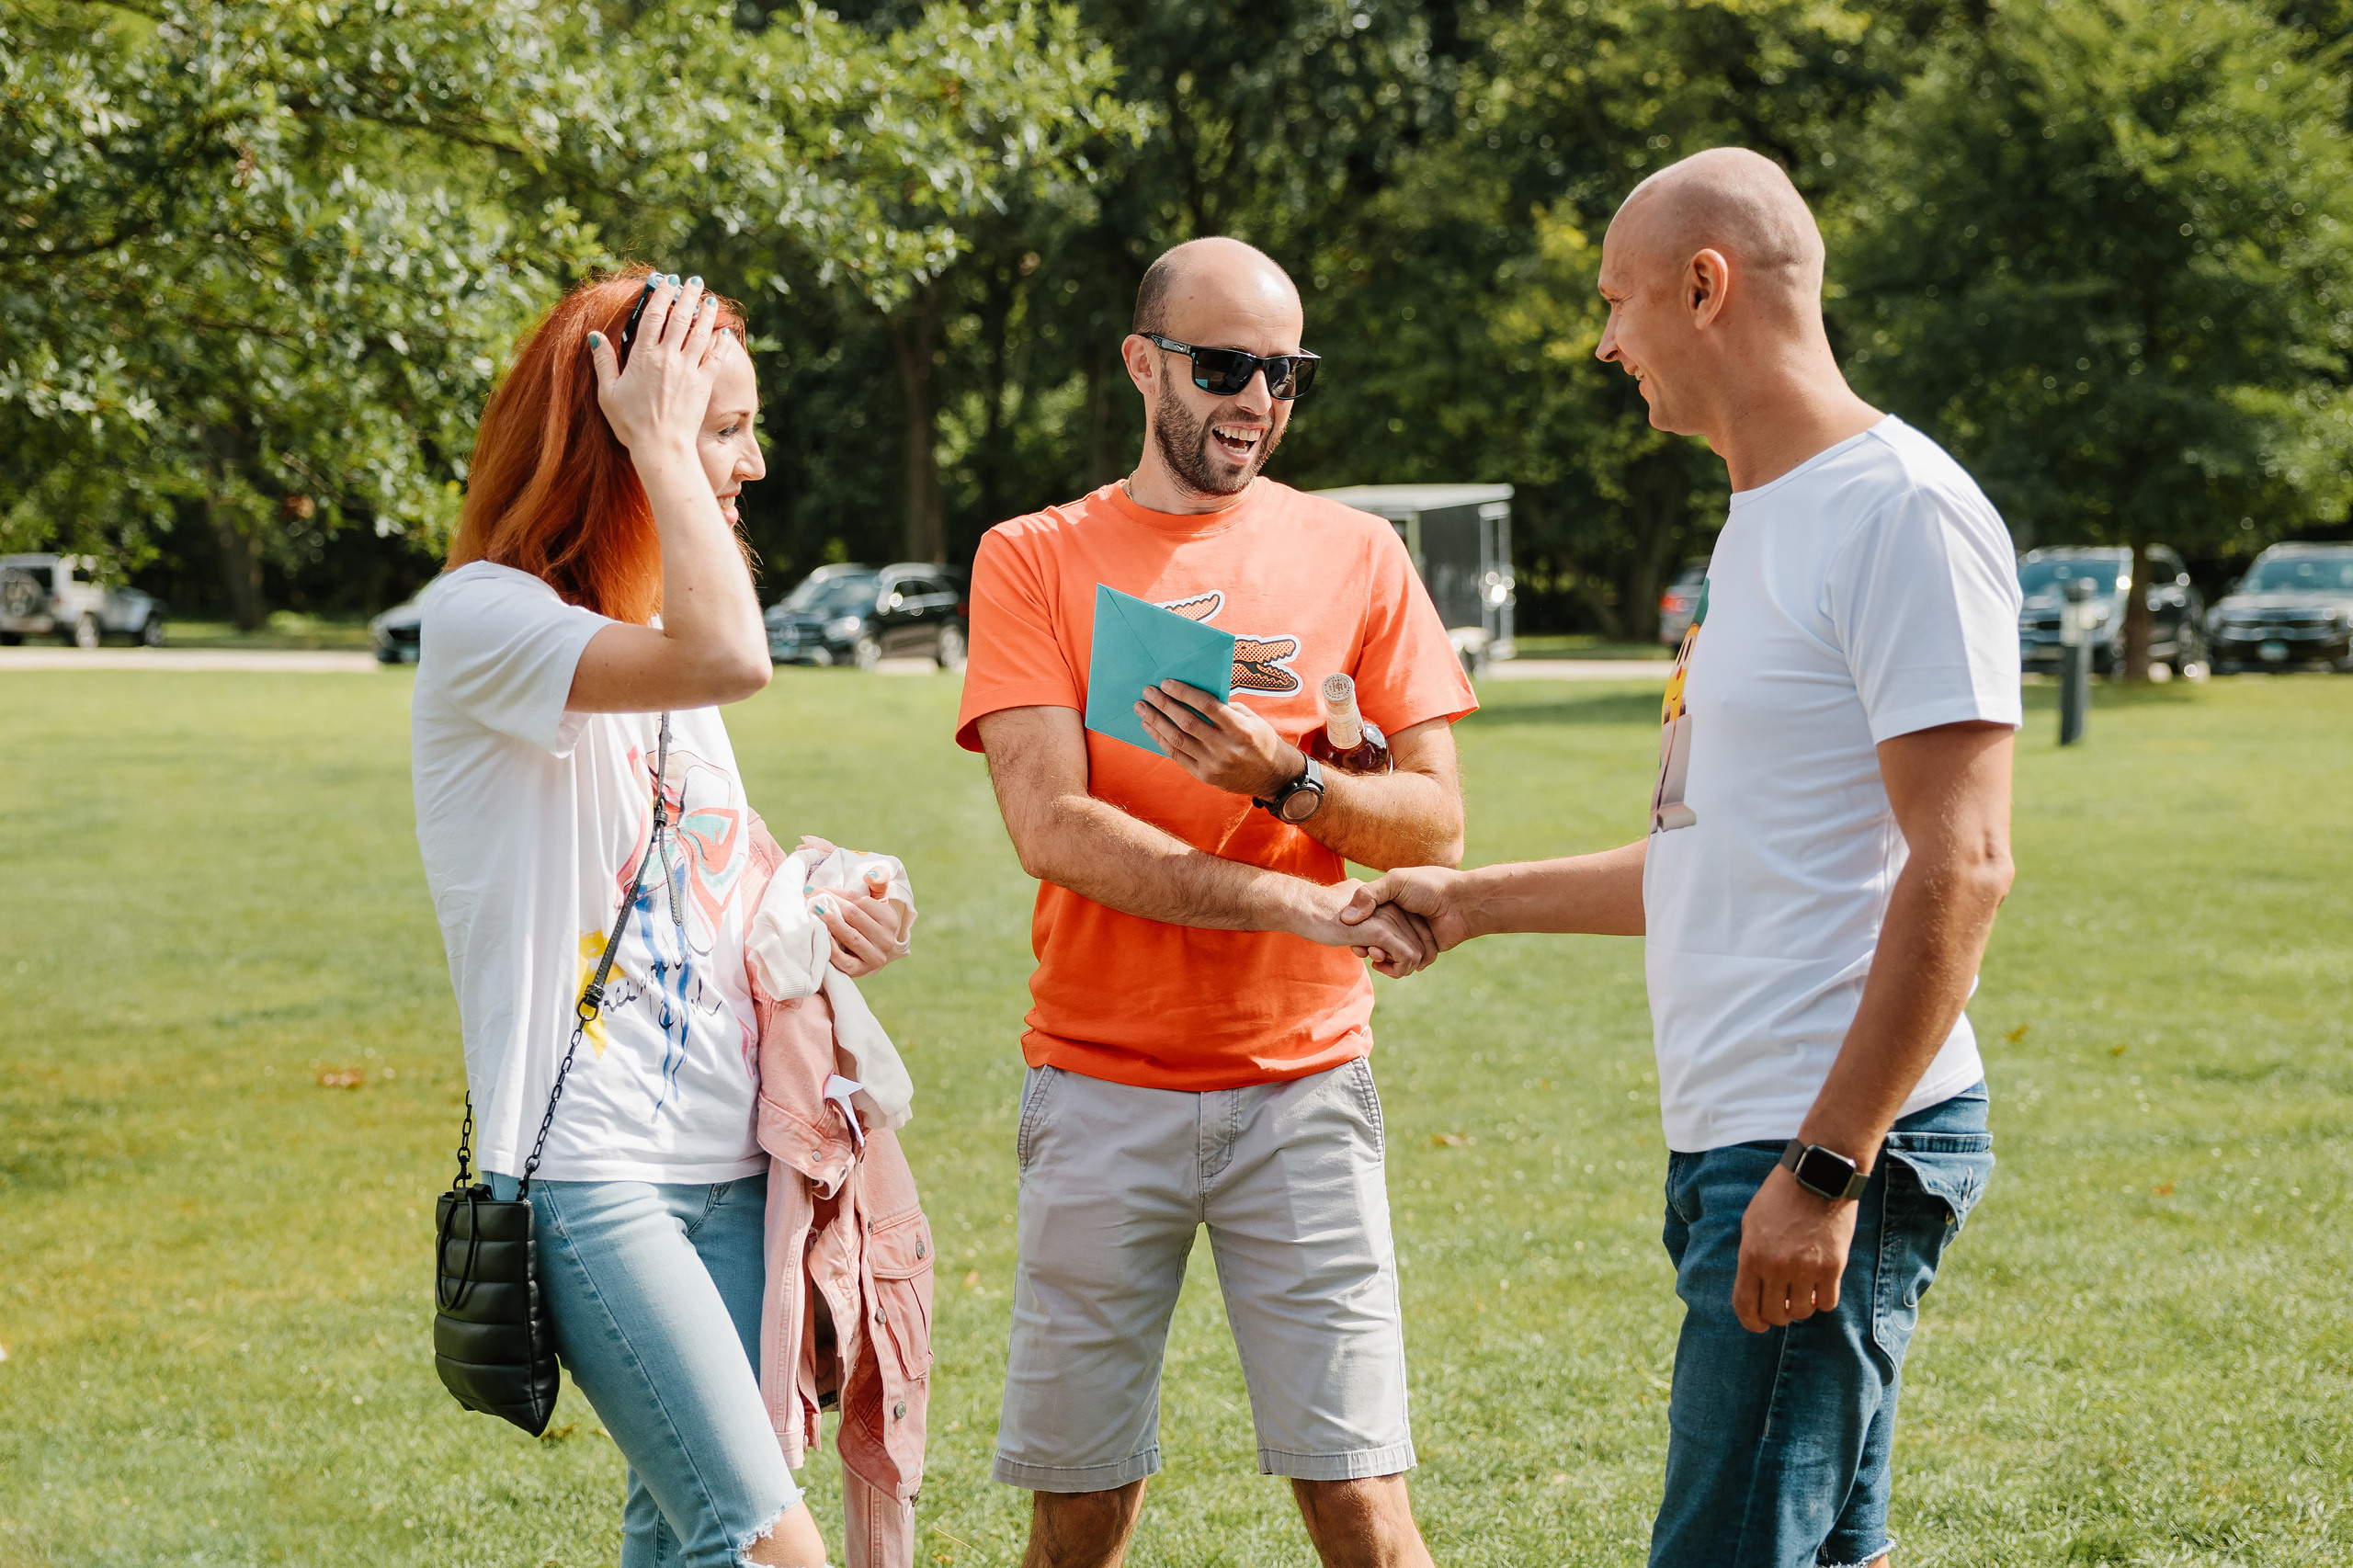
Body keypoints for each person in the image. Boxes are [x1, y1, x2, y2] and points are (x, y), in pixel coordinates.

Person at [1348, 148, 2020, 1568]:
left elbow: (1961, 865)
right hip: (1746, 1134)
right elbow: (1716, 858)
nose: (1606, 341)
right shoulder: (1761, 518)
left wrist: (1828, 1168)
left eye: (1619, 300)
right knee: (1838, 1550)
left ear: (1705, 286)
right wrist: (1473, 901)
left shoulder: (1899, 509)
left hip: (1821, 1136)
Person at [953, 236, 1473, 1568]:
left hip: (1304, 1089)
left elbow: (1436, 818)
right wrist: (1295, 905)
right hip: (1099, 1087)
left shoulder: (1356, 554)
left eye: (1283, 373)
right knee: (1077, 1516)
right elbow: (1051, 826)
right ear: (1144, 363)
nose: (1256, 400)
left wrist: (1288, 779)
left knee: (1360, 1501)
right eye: (1227, 365)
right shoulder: (1033, 556)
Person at [412, 269, 913, 1568]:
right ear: (621, 428)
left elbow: (716, 869)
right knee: (767, 1541)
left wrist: (836, 901)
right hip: (598, 1174)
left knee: (688, 1545)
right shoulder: (487, 622)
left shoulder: (645, 637)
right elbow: (735, 653)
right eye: (720, 426)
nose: (749, 462)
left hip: (732, 1160)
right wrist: (655, 440)